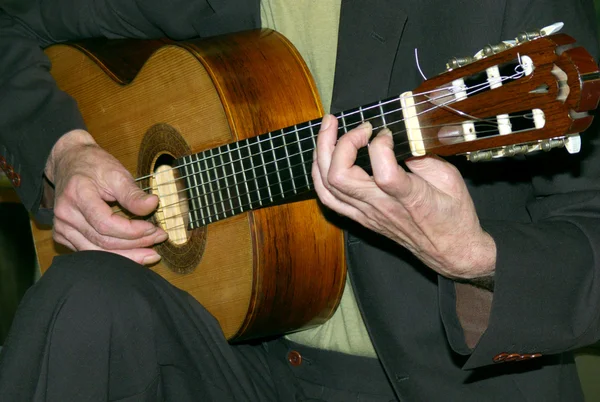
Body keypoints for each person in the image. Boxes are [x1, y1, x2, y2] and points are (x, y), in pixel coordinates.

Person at [1, 0, 600, 400]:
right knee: (80, 297)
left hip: (423, 384)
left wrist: (474, 256)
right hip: (247, 361)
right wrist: (64, 151)